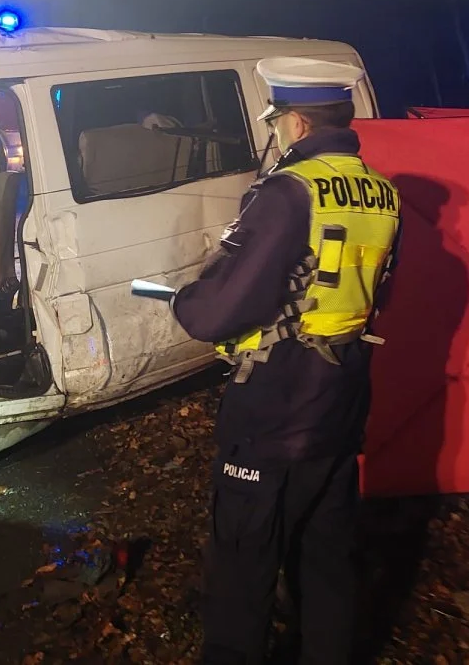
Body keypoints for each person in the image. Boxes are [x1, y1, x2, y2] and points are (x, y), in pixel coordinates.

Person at [169, 56, 402, 665]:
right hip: (343, 399)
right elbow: (380, 295)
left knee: (243, 565)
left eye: (275, 122)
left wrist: (186, 300)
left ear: (295, 123)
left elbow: (220, 309)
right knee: (325, 555)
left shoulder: (287, 191)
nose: (274, 133)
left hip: (274, 409)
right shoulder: (383, 194)